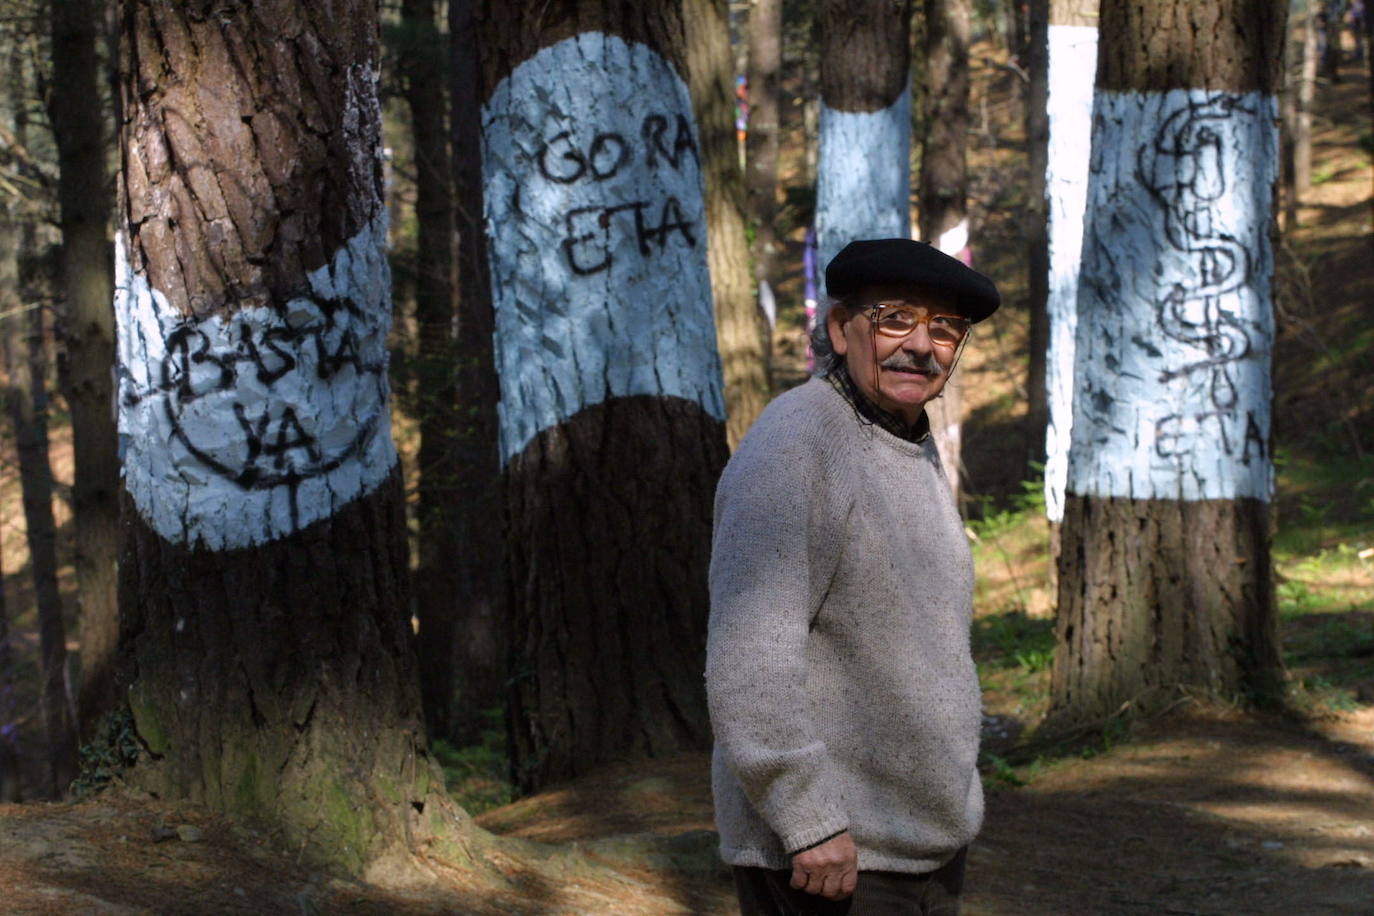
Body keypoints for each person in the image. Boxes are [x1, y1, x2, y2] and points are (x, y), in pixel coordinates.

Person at [705, 238, 1000, 915]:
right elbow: (750, 657)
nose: (923, 346)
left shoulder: (905, 441)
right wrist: (809, 820)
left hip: (918, 846)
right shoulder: (798, 443)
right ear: (842, 329)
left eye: (946, 328)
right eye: (896, 318)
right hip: (830, 859)